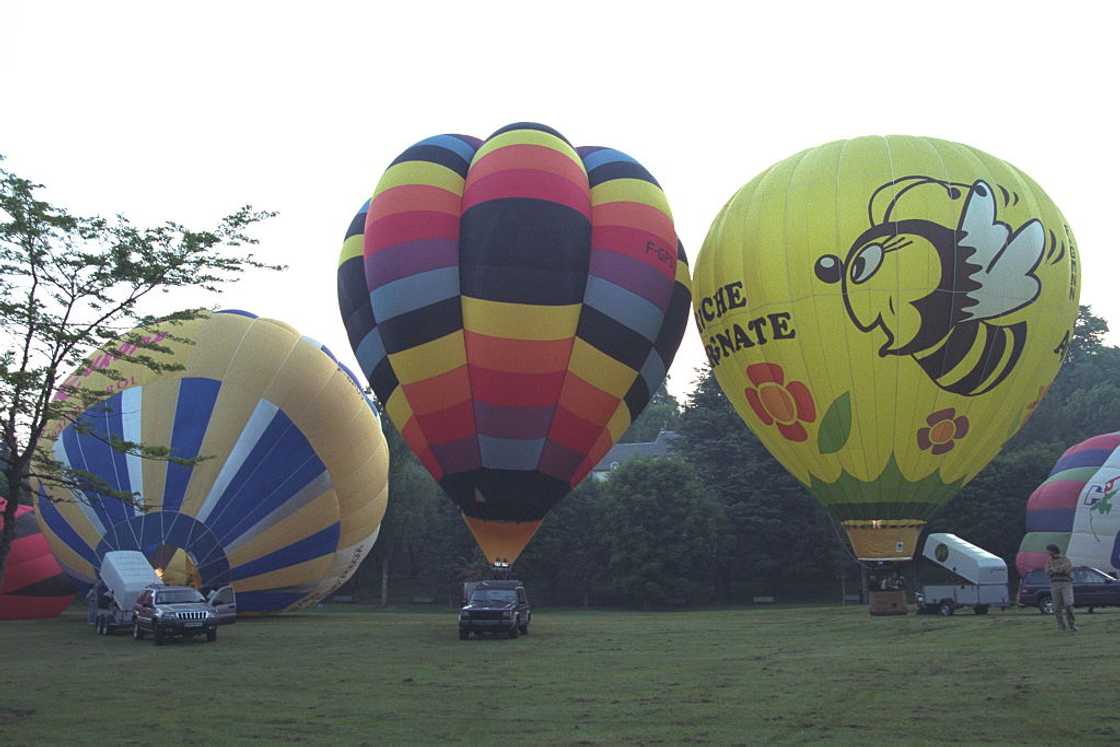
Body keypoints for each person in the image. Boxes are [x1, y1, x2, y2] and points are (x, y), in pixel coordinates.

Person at [1045, 544, 1077, 632]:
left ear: (1053, 550)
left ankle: (1072, 624)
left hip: (1065, 583)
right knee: (1057, 607)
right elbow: (1047, 571)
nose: (1047, 552)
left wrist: (1054, 569)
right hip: (1054, 584)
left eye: (1048, 550)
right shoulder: (1049, 561)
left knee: (1068, 604)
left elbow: (1066, 570)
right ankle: (1061, 626)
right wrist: (1057, 569)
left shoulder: (1065, 559)